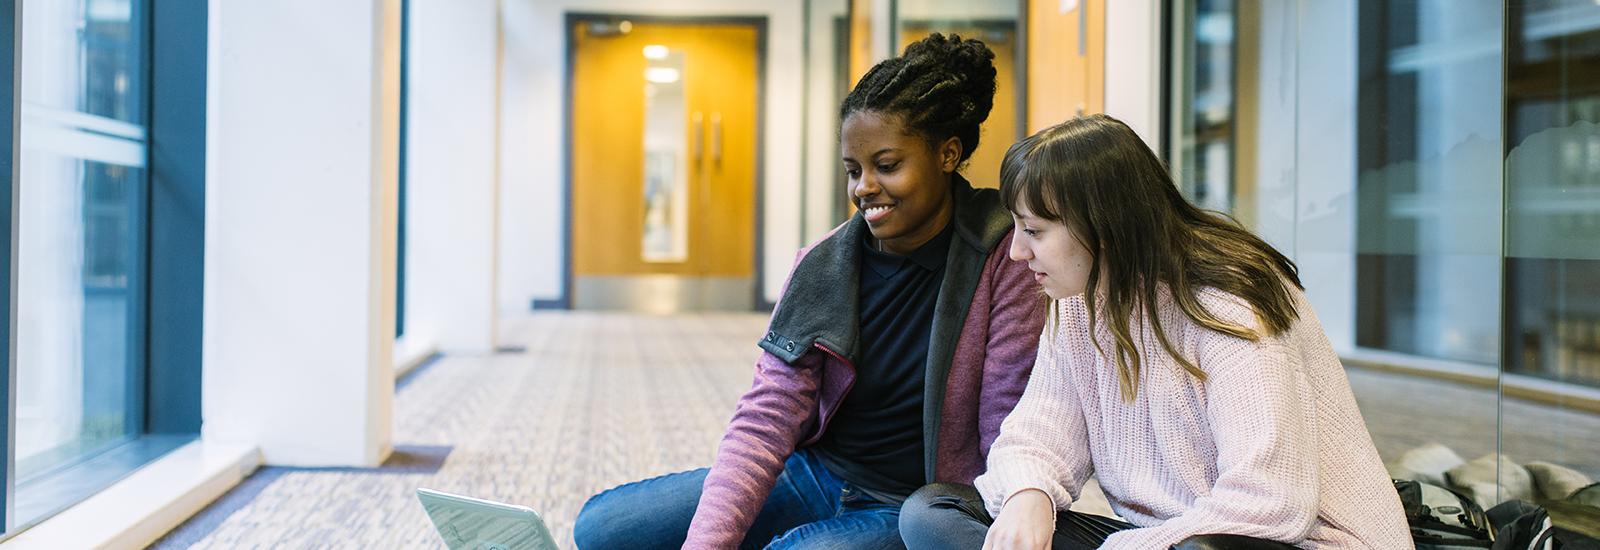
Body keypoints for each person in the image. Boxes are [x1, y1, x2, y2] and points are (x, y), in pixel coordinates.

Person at [572, 34, 1045, 550]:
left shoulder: (1005, 254)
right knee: (603, 528)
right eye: (853, 170)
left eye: (886, 166)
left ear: (948, 154)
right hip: (820, 472)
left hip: (917, 504)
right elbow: (766, 415)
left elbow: (1007, 424)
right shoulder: (824, 264)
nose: (863, 187)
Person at [897, 115, 1413, 550]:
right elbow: (1035, 437)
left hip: (1283, 543)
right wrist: (1027, 494)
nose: (1016, 253)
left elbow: (1270, 502)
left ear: (1104, 223)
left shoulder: (1228, 300)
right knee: (934, 513)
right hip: (1161, 537)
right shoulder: (1078, 302)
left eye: (1034, 231)